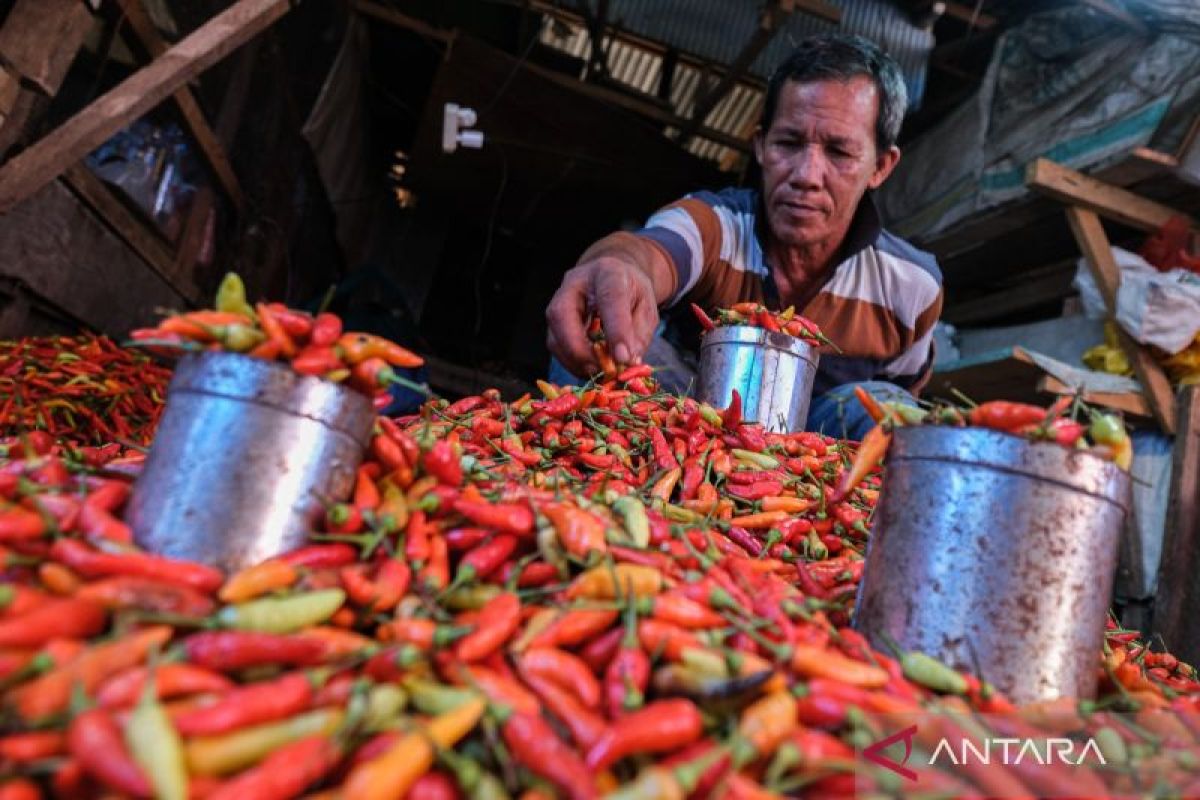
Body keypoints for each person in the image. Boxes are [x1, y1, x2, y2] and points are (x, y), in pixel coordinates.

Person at [545, 33, 943, 440]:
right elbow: (649, 252)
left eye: (839, 152)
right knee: (603, 330)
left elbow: (898, 397)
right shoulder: (716, 225)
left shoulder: (912, 290)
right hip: (691, 428)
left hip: (815, 461)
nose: (806, 175)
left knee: (888, 407)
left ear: (881, 166)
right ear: (760, 145)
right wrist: (616, 267)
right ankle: (587, 496)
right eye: (788, 142)